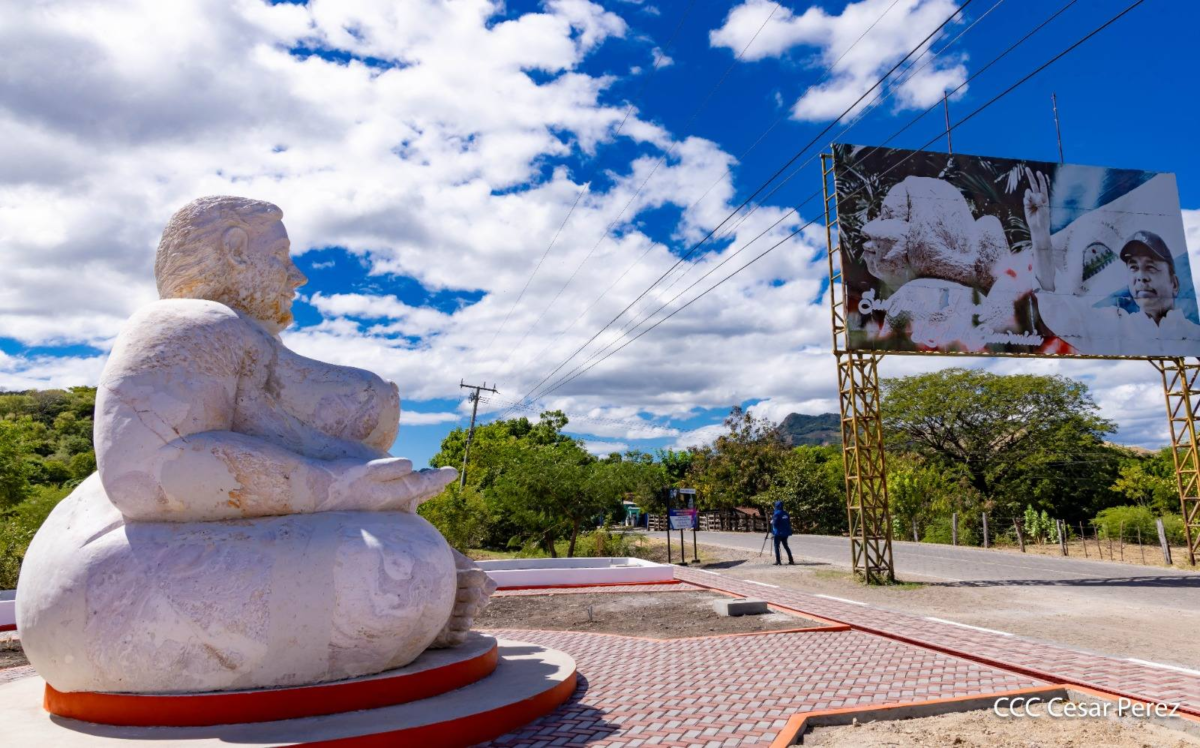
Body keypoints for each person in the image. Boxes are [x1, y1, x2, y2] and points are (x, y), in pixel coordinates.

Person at [771, 500, 794, 566]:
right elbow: (788, 522)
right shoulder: (786, 513)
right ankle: (791, 560)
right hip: (785, 532)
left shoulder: (776, 513)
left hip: (778, 533)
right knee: (786, 546)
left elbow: (775, 524)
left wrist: (772, 522)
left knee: (776, 546)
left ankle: (778, 561)